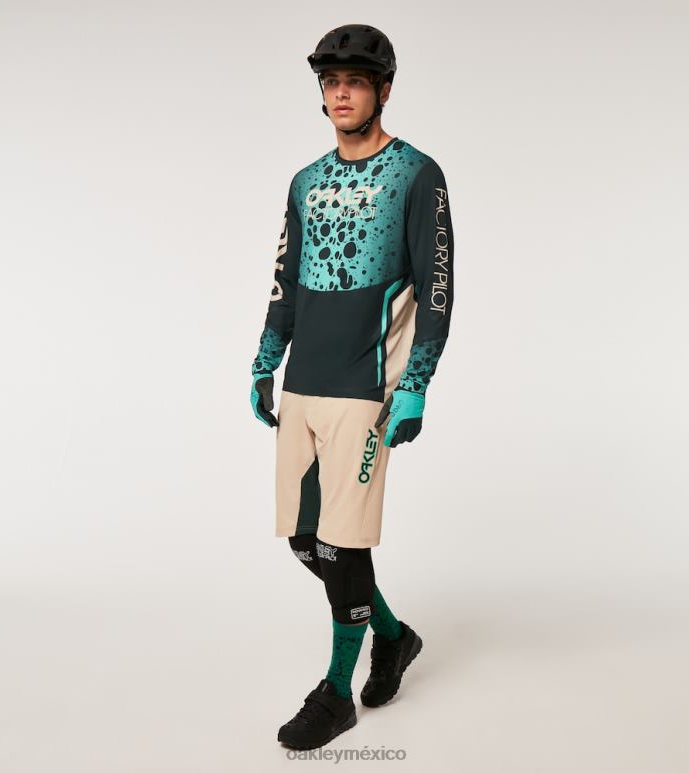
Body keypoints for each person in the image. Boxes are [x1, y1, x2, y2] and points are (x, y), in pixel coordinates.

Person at [250, 24, 455, 750]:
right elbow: (285, 278)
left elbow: (437, 288)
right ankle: (393, 636)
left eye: (356, 83)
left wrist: (416, 385)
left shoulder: (416, 174)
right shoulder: (305, 181)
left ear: (383, 90)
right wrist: (264, 360)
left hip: (365, 390)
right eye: (331, 83)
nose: (341, 94)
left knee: (343, 546)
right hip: (303, 383)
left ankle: (336, 692)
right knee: (307, 541)